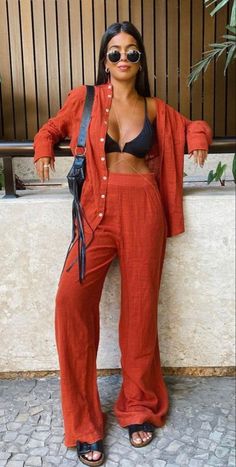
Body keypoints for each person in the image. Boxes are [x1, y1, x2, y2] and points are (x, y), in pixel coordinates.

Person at [33, 21, 212, 467]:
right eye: (115, 53)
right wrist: (41, 148)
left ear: (141, 60)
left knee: (139, 312)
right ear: (104, 59)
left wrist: (198, 138)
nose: (124, 60)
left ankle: (138, 408)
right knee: (70, 304)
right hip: (94, 214)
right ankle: (84, 423)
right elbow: (52, 128)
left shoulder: (154, 108)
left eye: (132, 53)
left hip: (143, 213)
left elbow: (194, 125)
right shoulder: (86, 98)